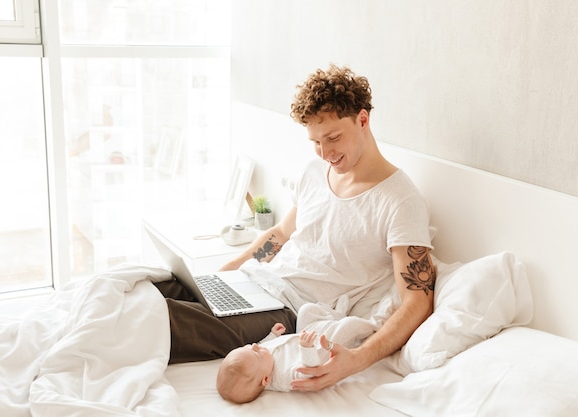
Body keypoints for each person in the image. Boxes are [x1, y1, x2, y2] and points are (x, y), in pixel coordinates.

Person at [154, 64, 436, 391]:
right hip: (254, 282)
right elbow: (280, 236)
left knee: (159, 318)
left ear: (362, 120)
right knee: (149, 287)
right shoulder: (314, 171)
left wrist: (355, 359)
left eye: (333, 137)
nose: (325, 152)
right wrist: (226, 273)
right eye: (316, 141)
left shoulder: (400, 200)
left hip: (286, 310)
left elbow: (418, 300)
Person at [217, 302, 377, 403]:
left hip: (303, 336)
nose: (254, 346)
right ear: (266, 379)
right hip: (322, 349)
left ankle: (336, 315)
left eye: (245, 347)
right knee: (349, 326)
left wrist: (272, 335)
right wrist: (306, 348)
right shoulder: (284, 377)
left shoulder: (259, 359)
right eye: (255, 352)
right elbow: (309, 371)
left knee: (306, 310)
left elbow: (260, 346)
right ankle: (375, 325)